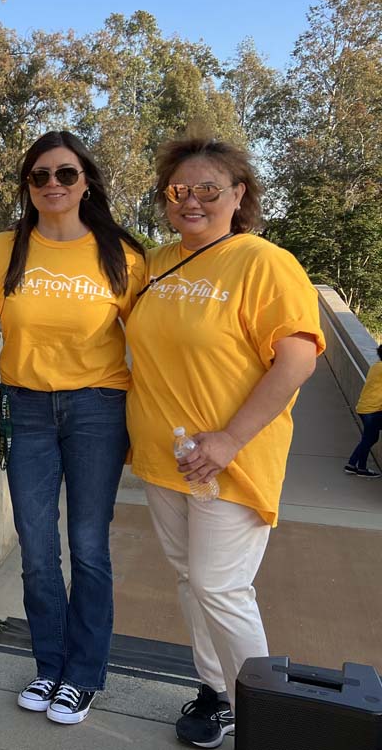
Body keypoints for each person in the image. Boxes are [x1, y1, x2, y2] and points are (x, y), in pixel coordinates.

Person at [126, 135, 323, 749]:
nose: (193, 201)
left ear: (239, 195)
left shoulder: (264, 263)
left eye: (209, 189)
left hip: (229, 459)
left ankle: (267, 711)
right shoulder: (155, 263)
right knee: (191, 579)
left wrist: (231, 439)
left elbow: (295, 362)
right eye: (179, 190)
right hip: (166, 457)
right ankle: (217, 693)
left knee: (222, 587)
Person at [0, 131, 146, 726]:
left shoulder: (123, 256)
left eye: (65, 174)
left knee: (89, 547)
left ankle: (84, 675)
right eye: (39, 176)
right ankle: (50, 669)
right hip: (28, 409)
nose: (52, 186)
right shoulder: (1, 252)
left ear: (86, 180)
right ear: (27, 186)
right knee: (38, 550)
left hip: (99, 409)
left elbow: (158, 342)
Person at [345, 345, 382, 477]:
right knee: (370, 438)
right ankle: (352, 463)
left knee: (369, 437)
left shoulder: (376, 366)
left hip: (365, 407)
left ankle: (360, 467)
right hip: (372, 410)